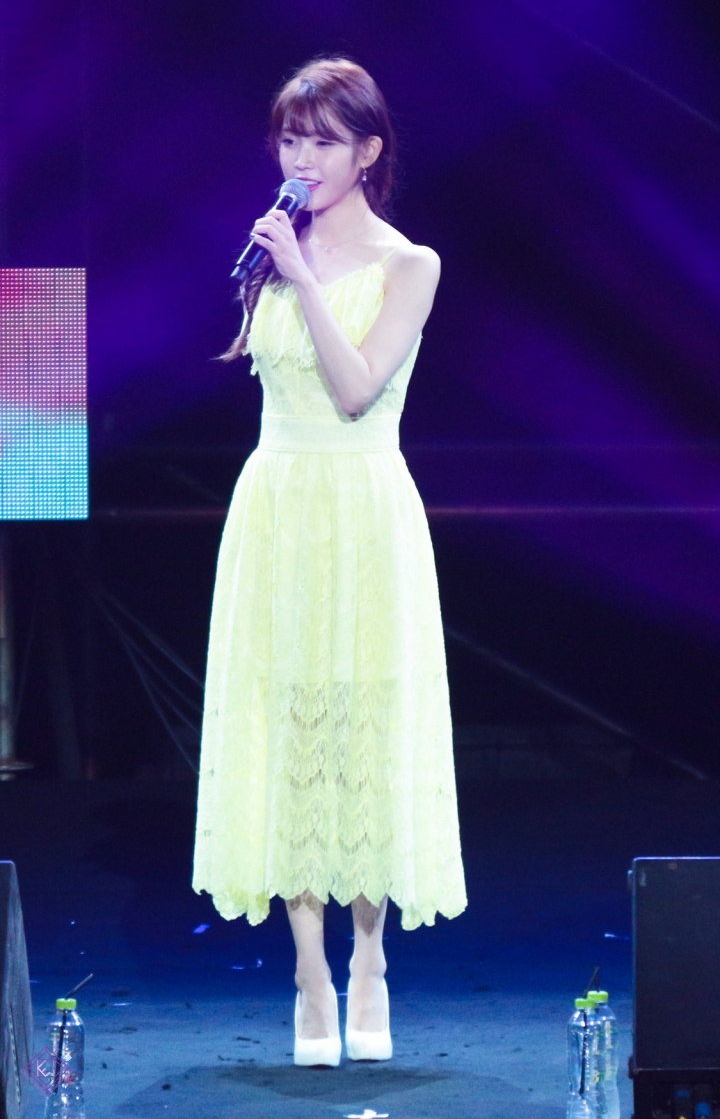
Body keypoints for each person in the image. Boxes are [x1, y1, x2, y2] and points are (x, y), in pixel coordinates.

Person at [192, 56, 466, 1067]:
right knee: (288, 722)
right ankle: (309, 972)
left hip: (364, 506)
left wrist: (304, 278)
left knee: (364, 728)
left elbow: (356, 390)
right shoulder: (275, 250)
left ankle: (370, 958)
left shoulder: (410, 265)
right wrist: (288, 269)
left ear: (367, 152)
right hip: (278, 504)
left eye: (320, 141)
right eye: (289, 138)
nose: (299, 159)